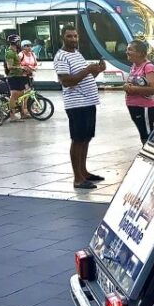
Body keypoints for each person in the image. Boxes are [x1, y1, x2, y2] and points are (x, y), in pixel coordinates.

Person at [53, 26, 106, 190]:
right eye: (69, 36)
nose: (74, 39)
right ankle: (78, 178)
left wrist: (97, 71)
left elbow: (85, 77)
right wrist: (87, 70)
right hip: (76, 104)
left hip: (89, 102)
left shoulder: (77, 53)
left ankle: (84, 172)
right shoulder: (61, 56)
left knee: (86, 138)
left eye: (75, 36)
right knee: (78, 140)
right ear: (63, 37)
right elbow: (67, 81)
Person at [124, 40, 154, 143]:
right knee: (143, 134)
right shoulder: (134, 67)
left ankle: (151, 156)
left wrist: (134, 89)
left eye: (130, 49)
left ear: (140, 53)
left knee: (148, 136)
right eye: (127, 49)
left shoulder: (148, 67)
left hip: (145, 108)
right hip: (134, 106)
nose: (127, 52)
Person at [5, 34, 31, 121]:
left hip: (19, 76)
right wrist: (21, 67)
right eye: (18, 41)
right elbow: (9, 66)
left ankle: (22, 114)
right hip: (13, 77)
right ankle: (12, 115)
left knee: (21, 95)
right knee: (14, 95)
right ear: (15, 42)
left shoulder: (15, 51)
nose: (19, 43)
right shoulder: (10, 53)